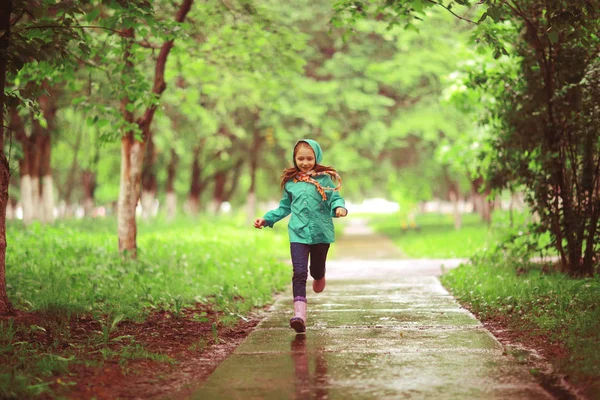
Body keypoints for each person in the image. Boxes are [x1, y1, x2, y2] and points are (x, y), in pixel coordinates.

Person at [254, 139, 348, 333]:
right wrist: (267, 219)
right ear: (294, 159)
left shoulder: (324, 180)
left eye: (309, 158)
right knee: (299, 272)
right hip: (298, 233)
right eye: (300, 158)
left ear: (316, 157)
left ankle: (320, 274)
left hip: (321, 233)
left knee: (315, 269)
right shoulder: (291, 183)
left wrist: (339, 207)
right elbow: (284, 207)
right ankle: (299, 316)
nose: (305, 162)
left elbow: (335, 198)